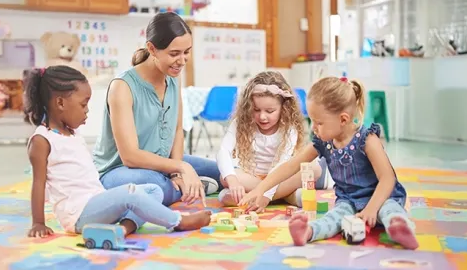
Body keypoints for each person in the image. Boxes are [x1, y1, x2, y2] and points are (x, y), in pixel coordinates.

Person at [23, 66, 211, 238]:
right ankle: (178, 222)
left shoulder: (71, 134)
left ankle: (123, 228)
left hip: (95, 202)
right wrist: (38, 223)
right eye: (83, 104)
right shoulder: (41, 141)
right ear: (60, 103)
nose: (87, 111)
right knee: (131, 193)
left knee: (153, 191)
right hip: (78, 214)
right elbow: (38, 184)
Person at [238, 76, 418, 250]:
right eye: (312, 121)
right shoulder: (323, 142)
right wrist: (259, 189)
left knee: (390, 211)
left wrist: (372, 209)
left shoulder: (368, 140)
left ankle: (400, 228)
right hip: (349, 201)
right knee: (334, 217)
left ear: (343, 119)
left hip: (382, 198)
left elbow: (387, 179)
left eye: (318, 123)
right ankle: (308, 232)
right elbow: (291, 166)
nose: (313, 128)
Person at [93, 12, 221, 207]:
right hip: (119, 170)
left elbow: (177, 130)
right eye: (174, 53)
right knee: (156, 187)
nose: (182, 60)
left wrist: (177, 172)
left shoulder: (173, 78)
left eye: (186, 52)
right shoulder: (123, 87)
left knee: (224, 172)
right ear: (152, 49)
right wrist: (180, 166)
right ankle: (192, 188)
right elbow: (130, 156)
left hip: (163, 164)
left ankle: (190, 187)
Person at [216, 71, 329, 212]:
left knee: (315, 169)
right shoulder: (240, 124)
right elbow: (223, 151)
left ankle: (252, 197)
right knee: (224, 177)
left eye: (270, 111)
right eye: (256, 110)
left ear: (284, 108)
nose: (262, 117)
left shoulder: (289, 129)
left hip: (281, 177)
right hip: (252, 176)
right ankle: (288, 196)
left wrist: (266, 196)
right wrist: (232, 180)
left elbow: (284, 164)